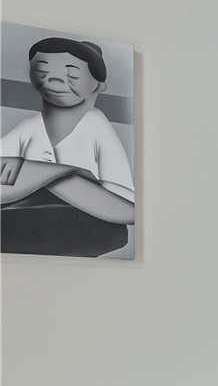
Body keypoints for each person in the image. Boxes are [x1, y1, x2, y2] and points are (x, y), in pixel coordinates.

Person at [0, 36, 135, 257]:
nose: (53, 80)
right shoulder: (29, 127)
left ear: (98, 85)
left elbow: (126, 209)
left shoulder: (95, 124)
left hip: (90, 221)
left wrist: (54, 175)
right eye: (42, 72)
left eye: (72, 74)